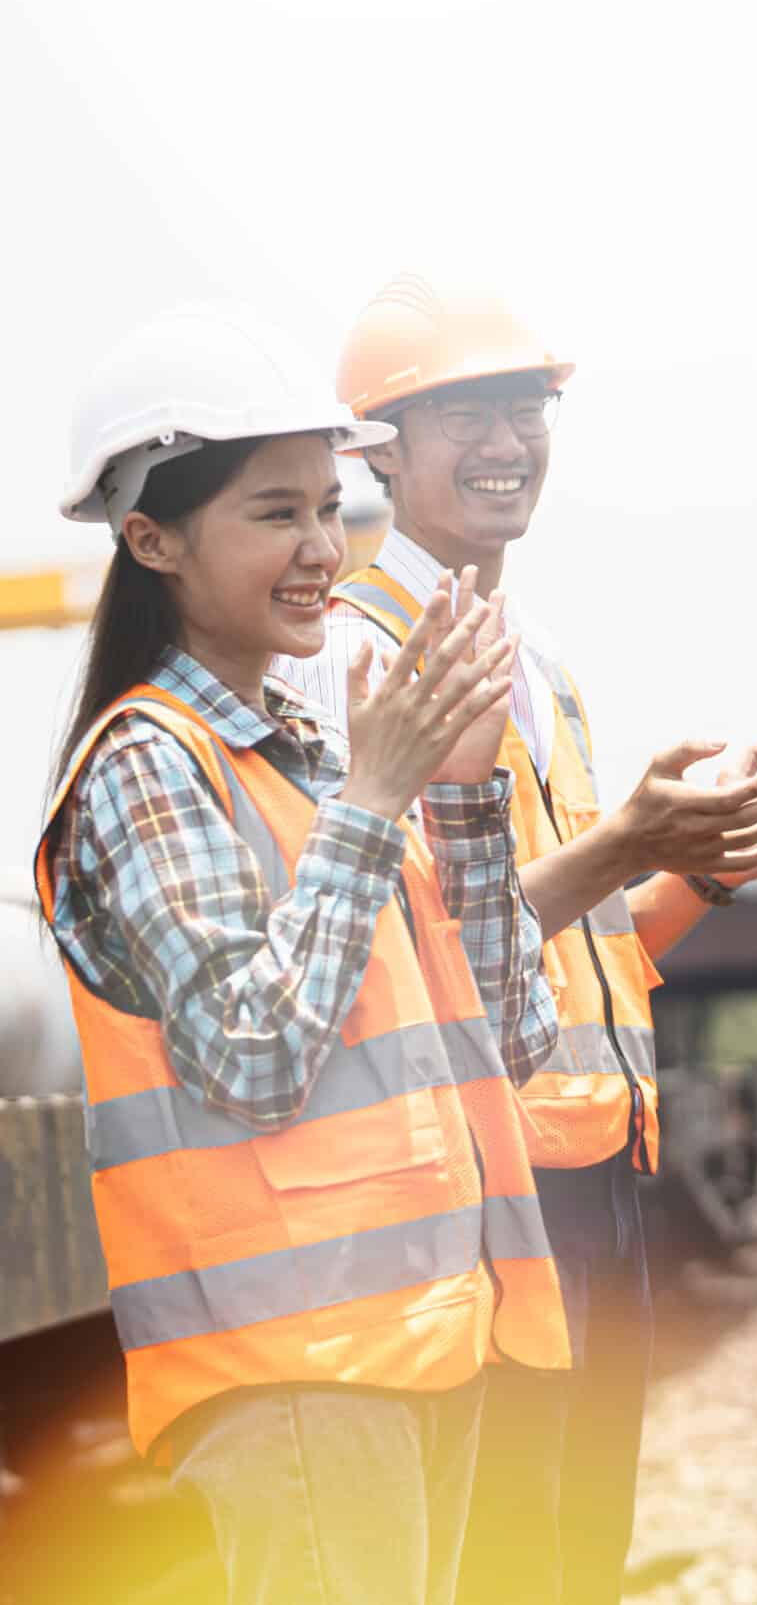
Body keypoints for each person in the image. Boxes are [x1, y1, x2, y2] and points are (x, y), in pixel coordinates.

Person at [270, 276, 757, 1605]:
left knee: (577, 1553)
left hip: (596, 1162)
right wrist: (631, 840)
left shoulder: (539, 664)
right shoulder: (349, 658)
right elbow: (400, 942)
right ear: (373, 448)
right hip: (476, 1178)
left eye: (524, 407)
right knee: (502, 1556)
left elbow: (584, 939)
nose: (506, 441)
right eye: (463, 415)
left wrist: (716, 868)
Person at [37, 304, 572, 1605]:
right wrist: (379, 801)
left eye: (332, 509)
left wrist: (457, 792)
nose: (325, 550)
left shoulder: (314, 764)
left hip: (422, 1342)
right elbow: (255, 1060)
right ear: (150, 538)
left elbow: (515, 1034)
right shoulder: (149, 765)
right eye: (277, 513)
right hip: (293, 1373)